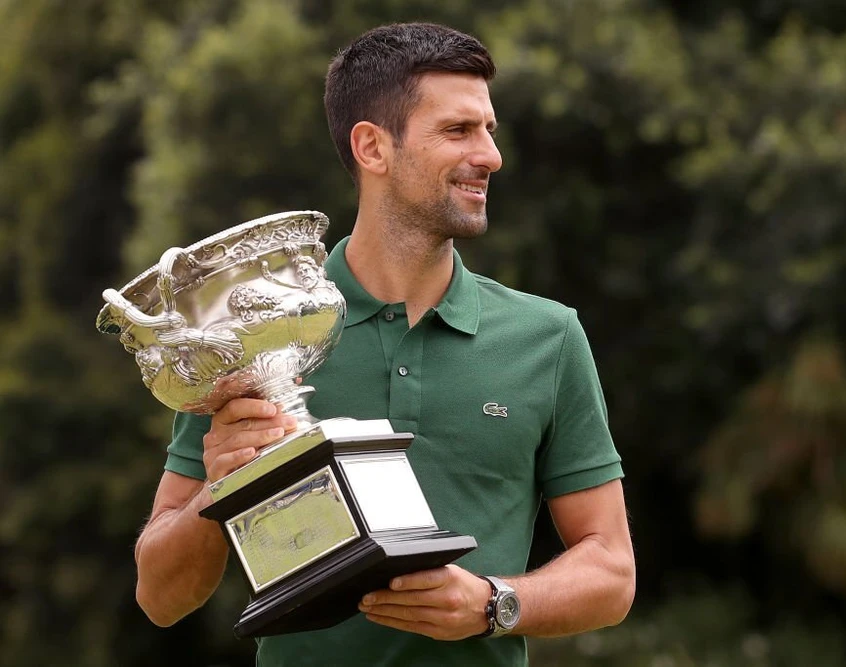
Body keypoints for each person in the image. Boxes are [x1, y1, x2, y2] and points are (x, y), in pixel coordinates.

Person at [133, 22, 635, 667]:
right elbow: (160, 598)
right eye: (458, 131)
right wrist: (216, 494)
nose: (491, 156)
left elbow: (612, 572)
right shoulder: (251, 337)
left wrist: (493, 603)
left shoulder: (548, 337)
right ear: (373, 147)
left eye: (489, 131)